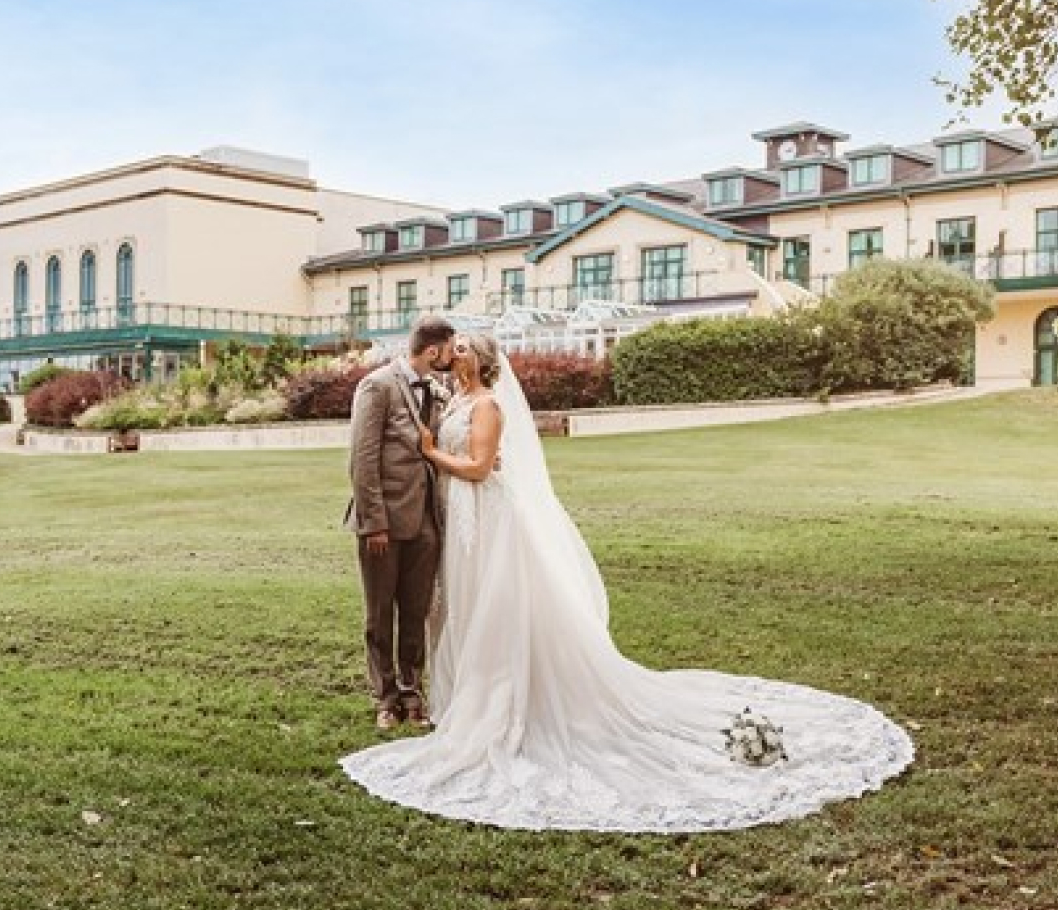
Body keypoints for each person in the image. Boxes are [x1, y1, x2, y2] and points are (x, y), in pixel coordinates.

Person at [340, 333, 914, 832]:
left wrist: (435, 453)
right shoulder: (454, 395)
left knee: (496, 604)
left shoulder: (487, 404)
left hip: (486, 513)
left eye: (461, 346)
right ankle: (457, 693)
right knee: (463, 606)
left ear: (480, 360)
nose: (451, 352)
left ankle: (502, 700)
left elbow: (482, 467)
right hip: (460, 520)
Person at [345, 315, 456, 731]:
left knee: (416, 611)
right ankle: (385, 697)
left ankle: (413, 691)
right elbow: (363, 458)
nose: (450, 356)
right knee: (379, 615)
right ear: (433, 350)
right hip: (385, 522)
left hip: (426, 522)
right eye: (449, 348)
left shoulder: (437, 390)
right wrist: (374, 522)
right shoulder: (378, 386)